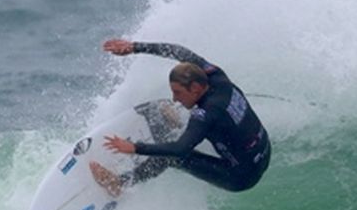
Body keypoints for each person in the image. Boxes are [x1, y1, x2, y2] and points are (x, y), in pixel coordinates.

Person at [92, 38, 271, 195]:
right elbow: (180, 51)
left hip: (240, 176)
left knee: (173, 156)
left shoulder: (207, 113)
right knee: (169, 110)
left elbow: (180, 149)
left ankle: (119, 183)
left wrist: (134, 147)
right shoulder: (216, 76)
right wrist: (135, 47)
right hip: (263, 151)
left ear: (194, 88)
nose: (174, 98)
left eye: (178, 92)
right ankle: (177, 124)